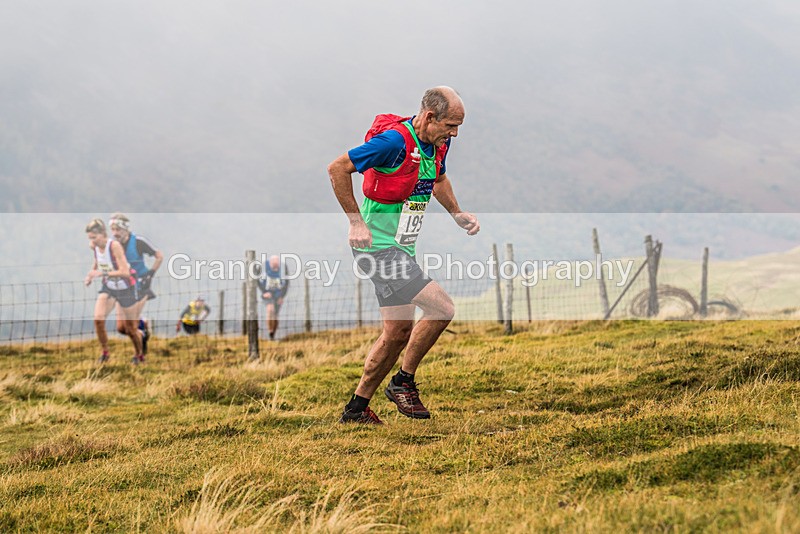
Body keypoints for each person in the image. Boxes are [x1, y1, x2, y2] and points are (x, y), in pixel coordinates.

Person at [327, 86, 480, 424]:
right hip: (377, 249)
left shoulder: (438, 144)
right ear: (429, 117)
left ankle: (356, 410)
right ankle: (402, 383)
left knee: (397, 332)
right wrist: (356, 223)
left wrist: (456, 213)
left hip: (401, 249)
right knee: (442, 307)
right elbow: (337, 168)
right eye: (450, 125)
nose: (454, 133)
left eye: (458, 127)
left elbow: (437, 179)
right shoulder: (394, 143)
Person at [83, 218, 144, 364]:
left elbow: (125, 272)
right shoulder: (94, 245)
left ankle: (139, 354)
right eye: (90, 238)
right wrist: (91, 274)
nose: (93, 241)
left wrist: (102, 274)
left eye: (95, 237)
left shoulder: (114, 246)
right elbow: (97, 261)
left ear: (103, 234)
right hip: (109, 287)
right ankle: (105, 353)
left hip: (126, 288)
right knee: (98, 319)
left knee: (130, 329)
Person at [108, 213, 163, 356]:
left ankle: (139, 355)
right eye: (112, 229)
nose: (115, 233)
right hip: (123, 286)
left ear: (126, 229)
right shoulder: (112, 245)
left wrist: (150, 273)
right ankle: (142, 326)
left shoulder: (138, 241)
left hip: (140, 286)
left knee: (130, 326)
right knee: (121, 328)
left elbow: (159, 256)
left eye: (118, 229)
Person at [258, 255, 290, 340]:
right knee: (270, 310)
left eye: (277, 263)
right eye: (274, 263)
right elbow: (257, 280)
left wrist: (282, 297)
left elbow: (286, 284)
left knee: (275, 315)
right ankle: (270, 330)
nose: (275, 265)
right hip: (268, 295)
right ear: (270, 263)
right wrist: (264, 292)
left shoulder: (283, 270)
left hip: (278, 295)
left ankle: (272, 335)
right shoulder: (264, 269)